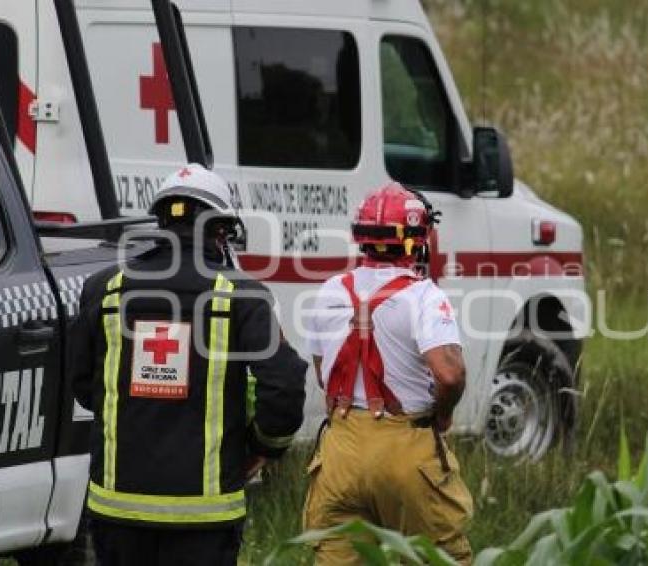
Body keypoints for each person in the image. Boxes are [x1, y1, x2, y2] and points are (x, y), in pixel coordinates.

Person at [70, 163, 307, 566]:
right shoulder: (241, 294)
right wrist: (261, 446)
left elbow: (83, 385)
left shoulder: (103, 288)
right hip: (205, 518)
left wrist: (135, 413)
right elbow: (283, 386)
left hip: (117, 510)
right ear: (219, 231)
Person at [302, 182, 473, 565]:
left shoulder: (329, 291)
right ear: (417, 240)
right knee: (440, 557)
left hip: (340, 449)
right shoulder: (424, 296)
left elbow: (321, 374)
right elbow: (449, 374)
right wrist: (443, 413)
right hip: (404, 446)